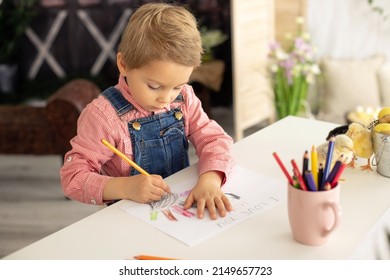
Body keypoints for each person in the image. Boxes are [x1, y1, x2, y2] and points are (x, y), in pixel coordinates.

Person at [60, 2, 235, 220]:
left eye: (177, 85)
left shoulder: (184, 99)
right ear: (123, 64)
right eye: (154, 86)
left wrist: (210, 179)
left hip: (177, 211)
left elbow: (216, 139)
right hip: (125, 218)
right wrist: (125, 187)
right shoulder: (102, 116)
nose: (166, 98)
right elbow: (73, 178)